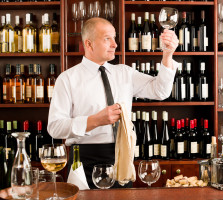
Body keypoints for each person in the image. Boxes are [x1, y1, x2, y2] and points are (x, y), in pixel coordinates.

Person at [47, 17, 179, 189]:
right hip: (83, 161)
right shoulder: (67, 79)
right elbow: (55, 127)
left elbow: (161, 91)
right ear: (89, 44)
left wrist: (168, 54)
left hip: (121, 157)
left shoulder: (125, 73)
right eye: (107, 38)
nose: (115, 44)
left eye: (114, 38)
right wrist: (95, 120)